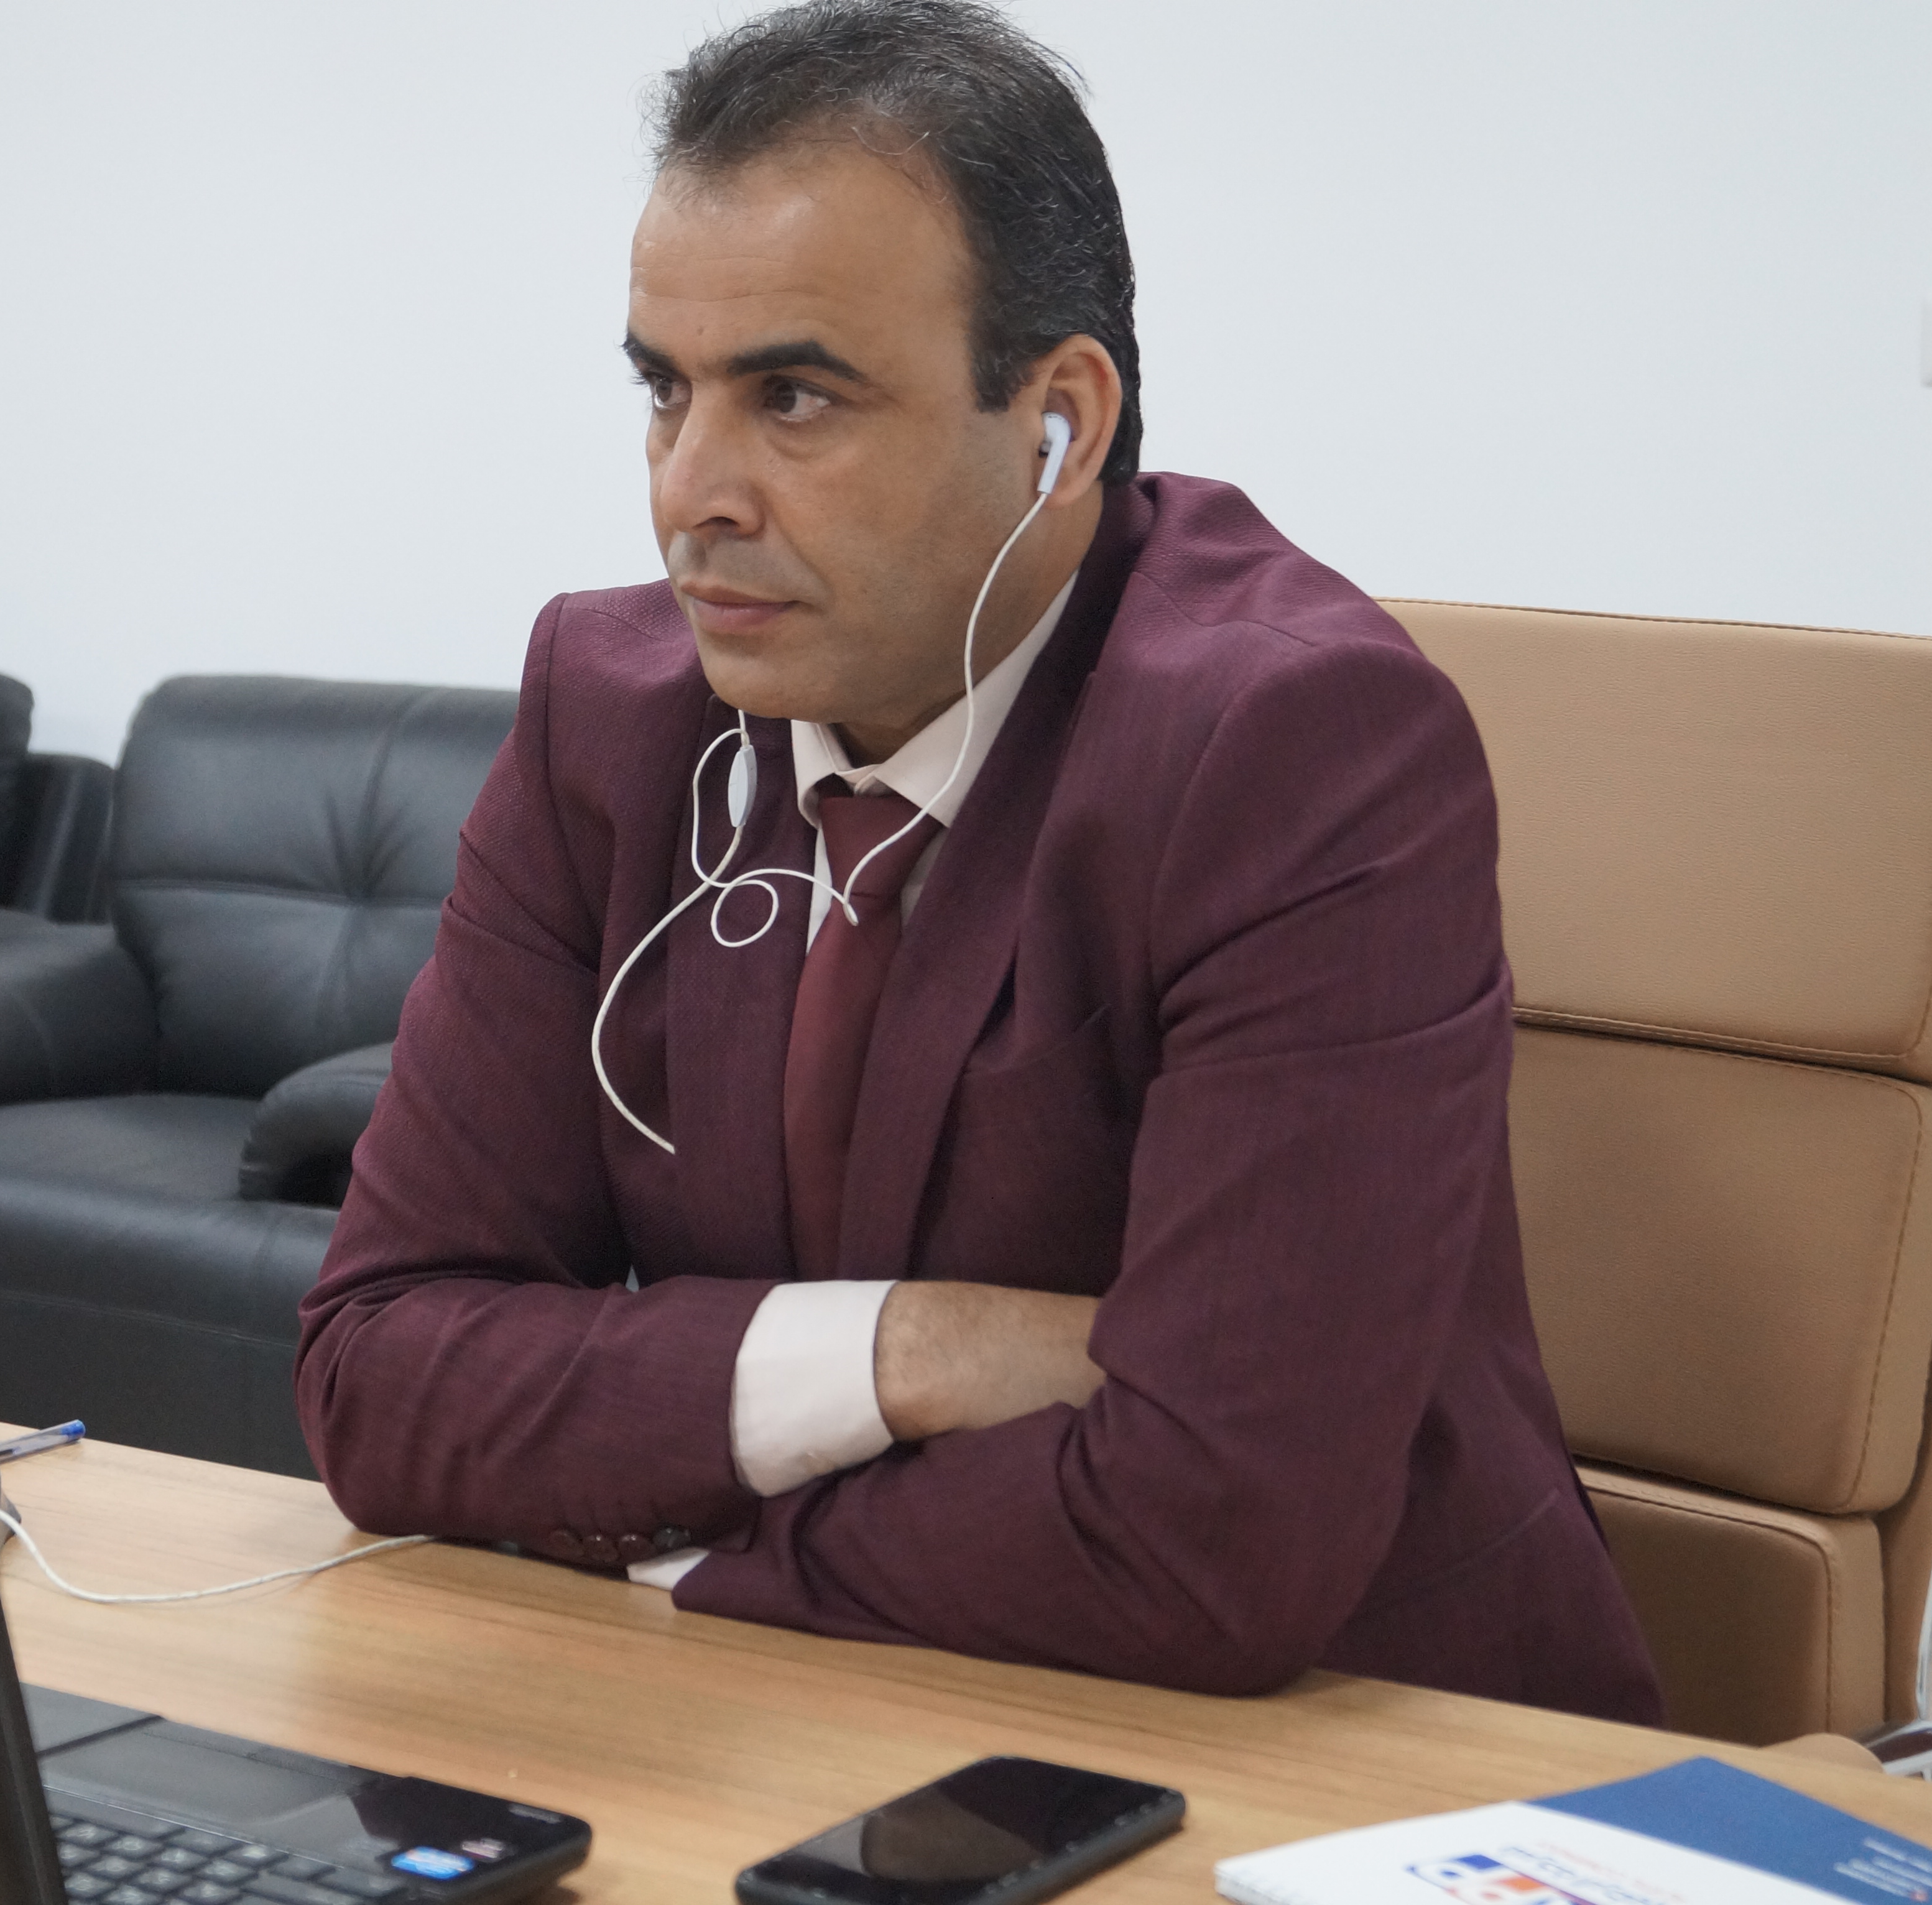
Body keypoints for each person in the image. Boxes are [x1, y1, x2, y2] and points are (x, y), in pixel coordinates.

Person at [295, 0, 1662, 1722]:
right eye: (664, 391)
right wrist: (911, 1351)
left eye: (796, 398)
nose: (692, 493)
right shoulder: (612, 714)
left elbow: (1212, 1543)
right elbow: (376, 1373)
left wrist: (670, 1523)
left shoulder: (1299, 747)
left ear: (1058, 424)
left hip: (1347, 1750)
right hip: (827, 1719)